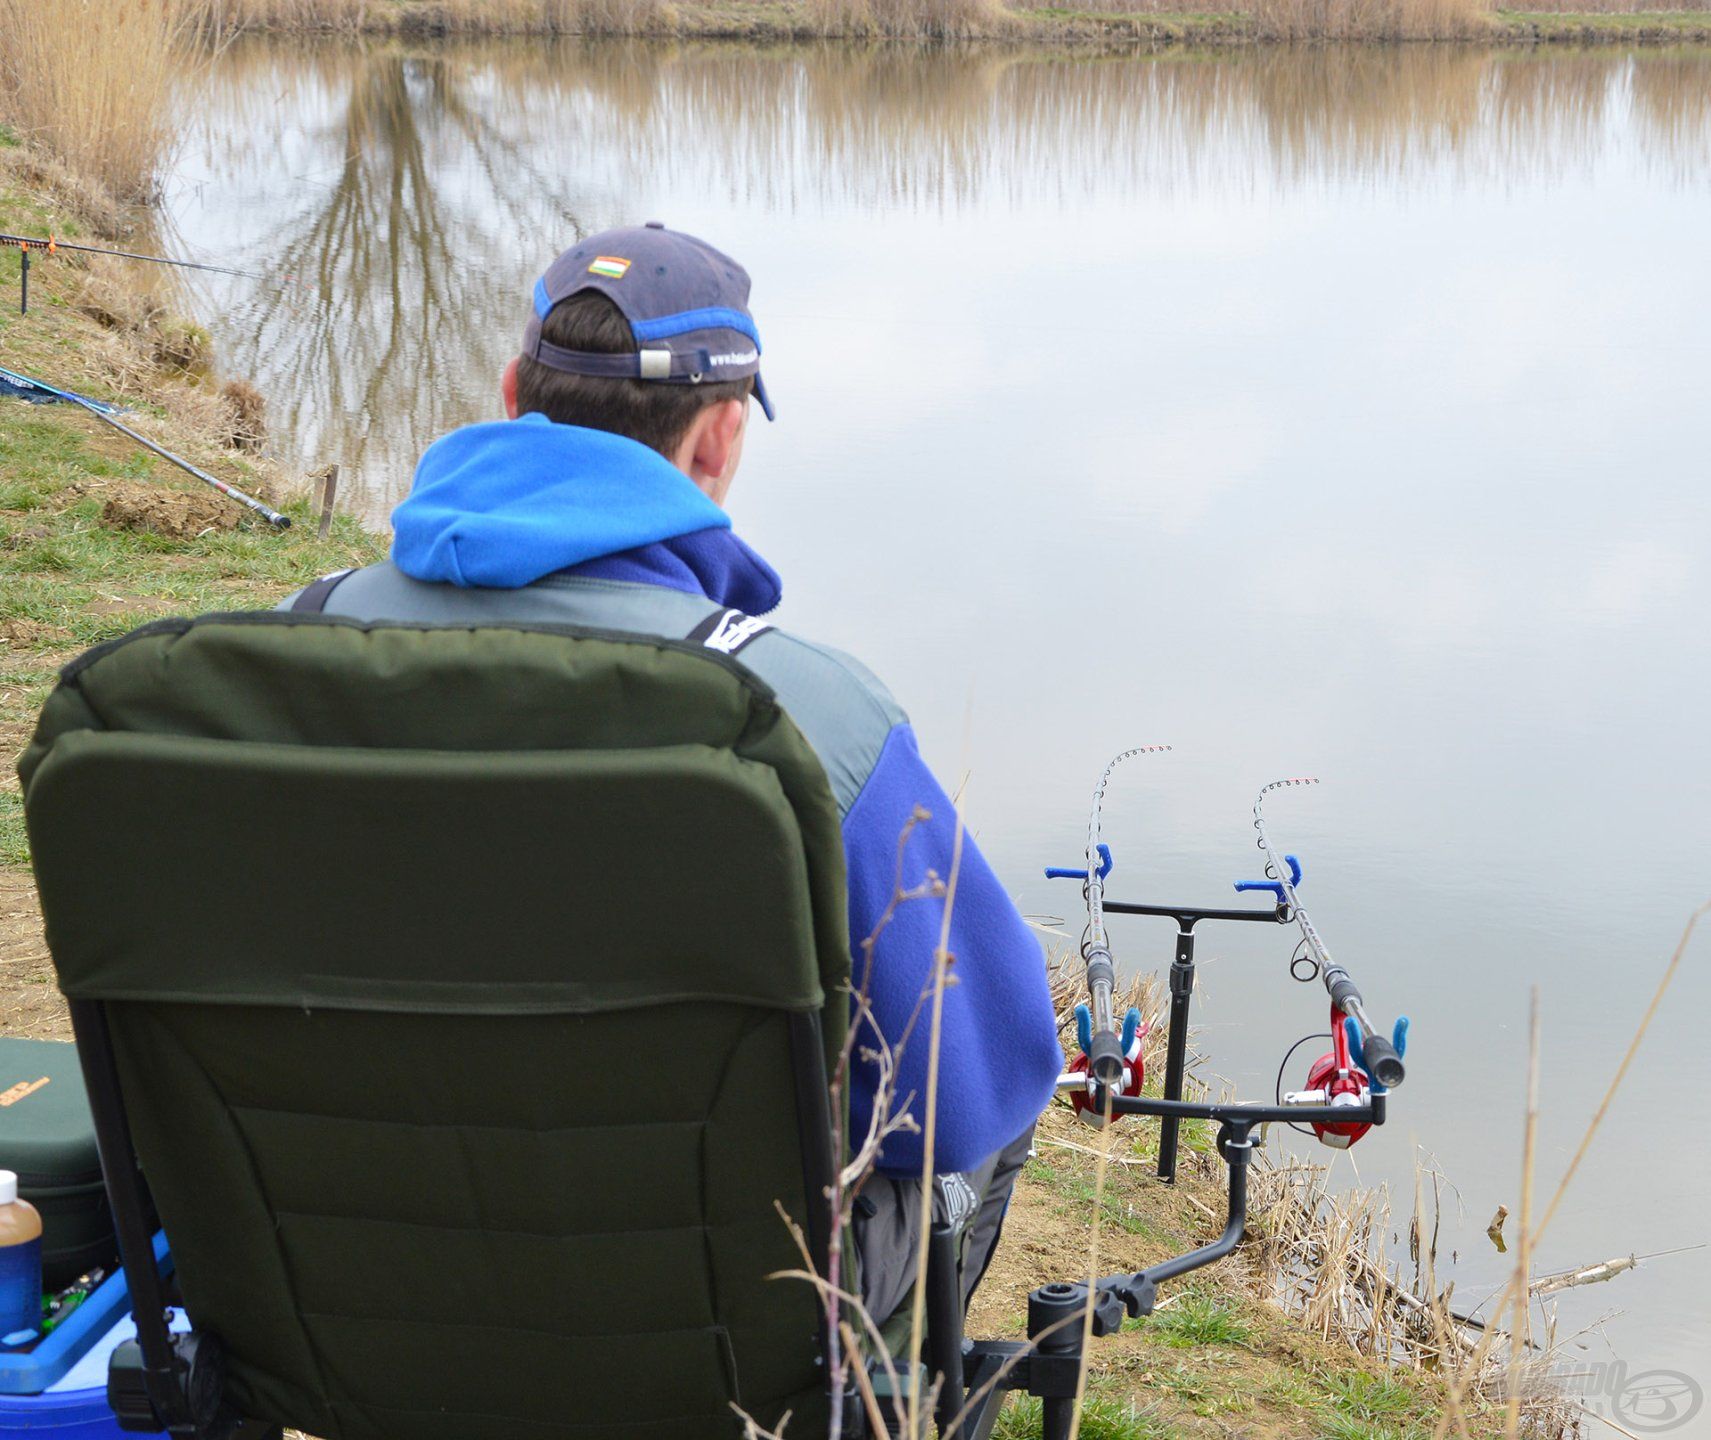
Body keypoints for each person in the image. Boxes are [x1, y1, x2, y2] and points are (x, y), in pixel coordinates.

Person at [282, 223, 1062, 1322]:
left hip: (352, 1278)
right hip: (705, 1327)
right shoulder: (807, 718)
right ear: (718, 438)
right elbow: (974, 1082)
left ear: (513, 393)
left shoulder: (286, 650)